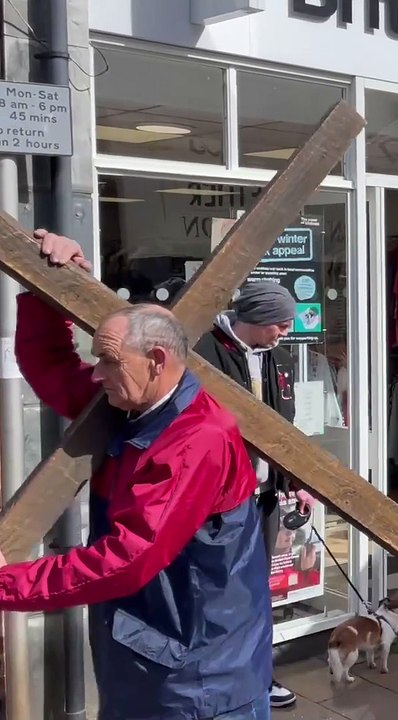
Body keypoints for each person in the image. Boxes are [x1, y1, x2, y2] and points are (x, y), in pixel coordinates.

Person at [0, 230, 272, 719]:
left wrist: (7, 584)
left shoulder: (196, 439)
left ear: (157, 361)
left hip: (197, 687)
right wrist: (50, 283)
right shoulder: (130, 401)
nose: (97, 373)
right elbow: (51, 364)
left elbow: (128, 558)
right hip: (149, 667)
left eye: (107, 360)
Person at [194, 280, 311, 709]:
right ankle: (215, 682)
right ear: (256, 319)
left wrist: (297, 481)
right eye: (280, 324)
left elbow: (287, 427)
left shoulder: (279, 359)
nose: (285, 332)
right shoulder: (204, 353)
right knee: (217, 593)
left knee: (259, 591)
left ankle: (259, 677)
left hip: (263, 496)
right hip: (215, 502)